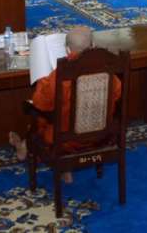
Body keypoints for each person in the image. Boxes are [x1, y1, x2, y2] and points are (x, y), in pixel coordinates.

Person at [8, 26, 123, 182]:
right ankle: (63, 166)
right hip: (102, 136)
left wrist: (43, 82)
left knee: (42, 119)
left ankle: (29, 150)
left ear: (67, 49)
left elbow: (40, 104)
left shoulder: (60, 75)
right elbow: (117, 94)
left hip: (65, 141)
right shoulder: (107, 70)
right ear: (93, 46)